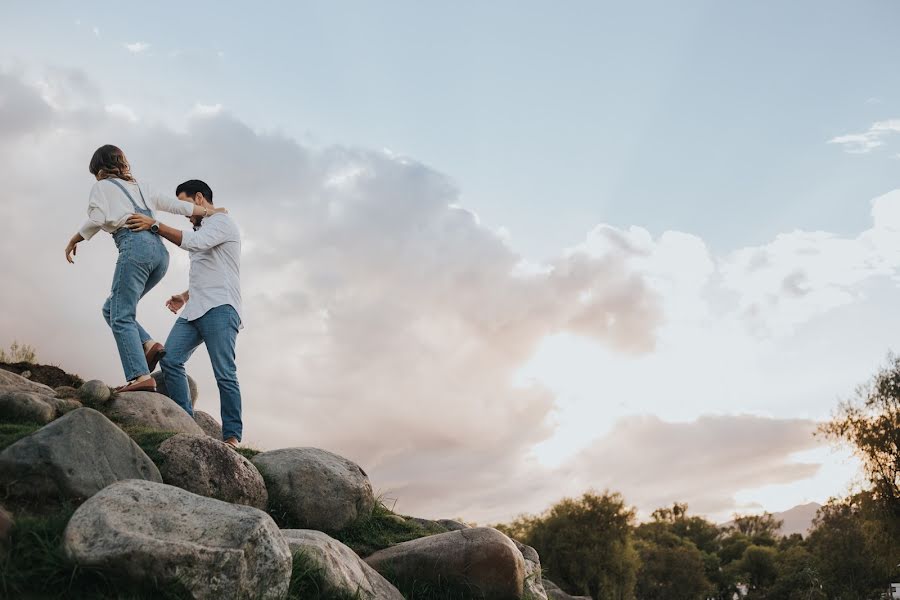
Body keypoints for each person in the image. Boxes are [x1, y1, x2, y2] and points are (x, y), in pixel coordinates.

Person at [65, 145, 227, 392]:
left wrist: (76, 238)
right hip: (160, 255)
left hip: (134, 249)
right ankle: (149, 345)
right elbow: (178, 206)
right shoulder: (142, 187)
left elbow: (97, 218)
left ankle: (140, 377)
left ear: (99, 169)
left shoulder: (100, 187)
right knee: (112, 308)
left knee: (121, 315)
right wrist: (209, 212)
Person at [125, 180, 244, 447]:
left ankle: (232, 437)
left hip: (221, 308)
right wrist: (185, 295)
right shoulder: (206, 225)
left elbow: (194, 243)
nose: (185, 213)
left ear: (199, 198)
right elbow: (212, 270)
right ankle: (186, 423)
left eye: (185, 206)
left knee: (224, 371)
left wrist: (153, 224)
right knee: (170, 359)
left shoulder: (223, 222)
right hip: (194, 309)